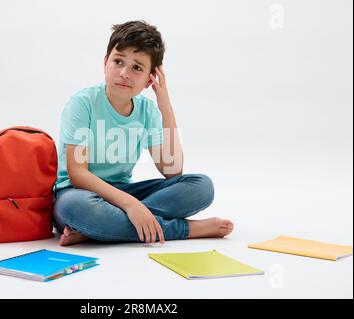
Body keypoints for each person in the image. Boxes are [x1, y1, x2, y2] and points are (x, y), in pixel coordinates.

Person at [53, 20, 233, 246]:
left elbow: (172, 170)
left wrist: (164, 103)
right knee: (76, 208)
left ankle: (97, 231)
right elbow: (78, 173)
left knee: (201, 186)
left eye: (137, 67)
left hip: (123, 191)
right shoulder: (83, 103)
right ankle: (185, 229)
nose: (124, 73)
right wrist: (131, 205)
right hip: (77, 193)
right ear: (105, 61)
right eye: (118, 61)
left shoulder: (147, 111)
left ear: (150, 78)